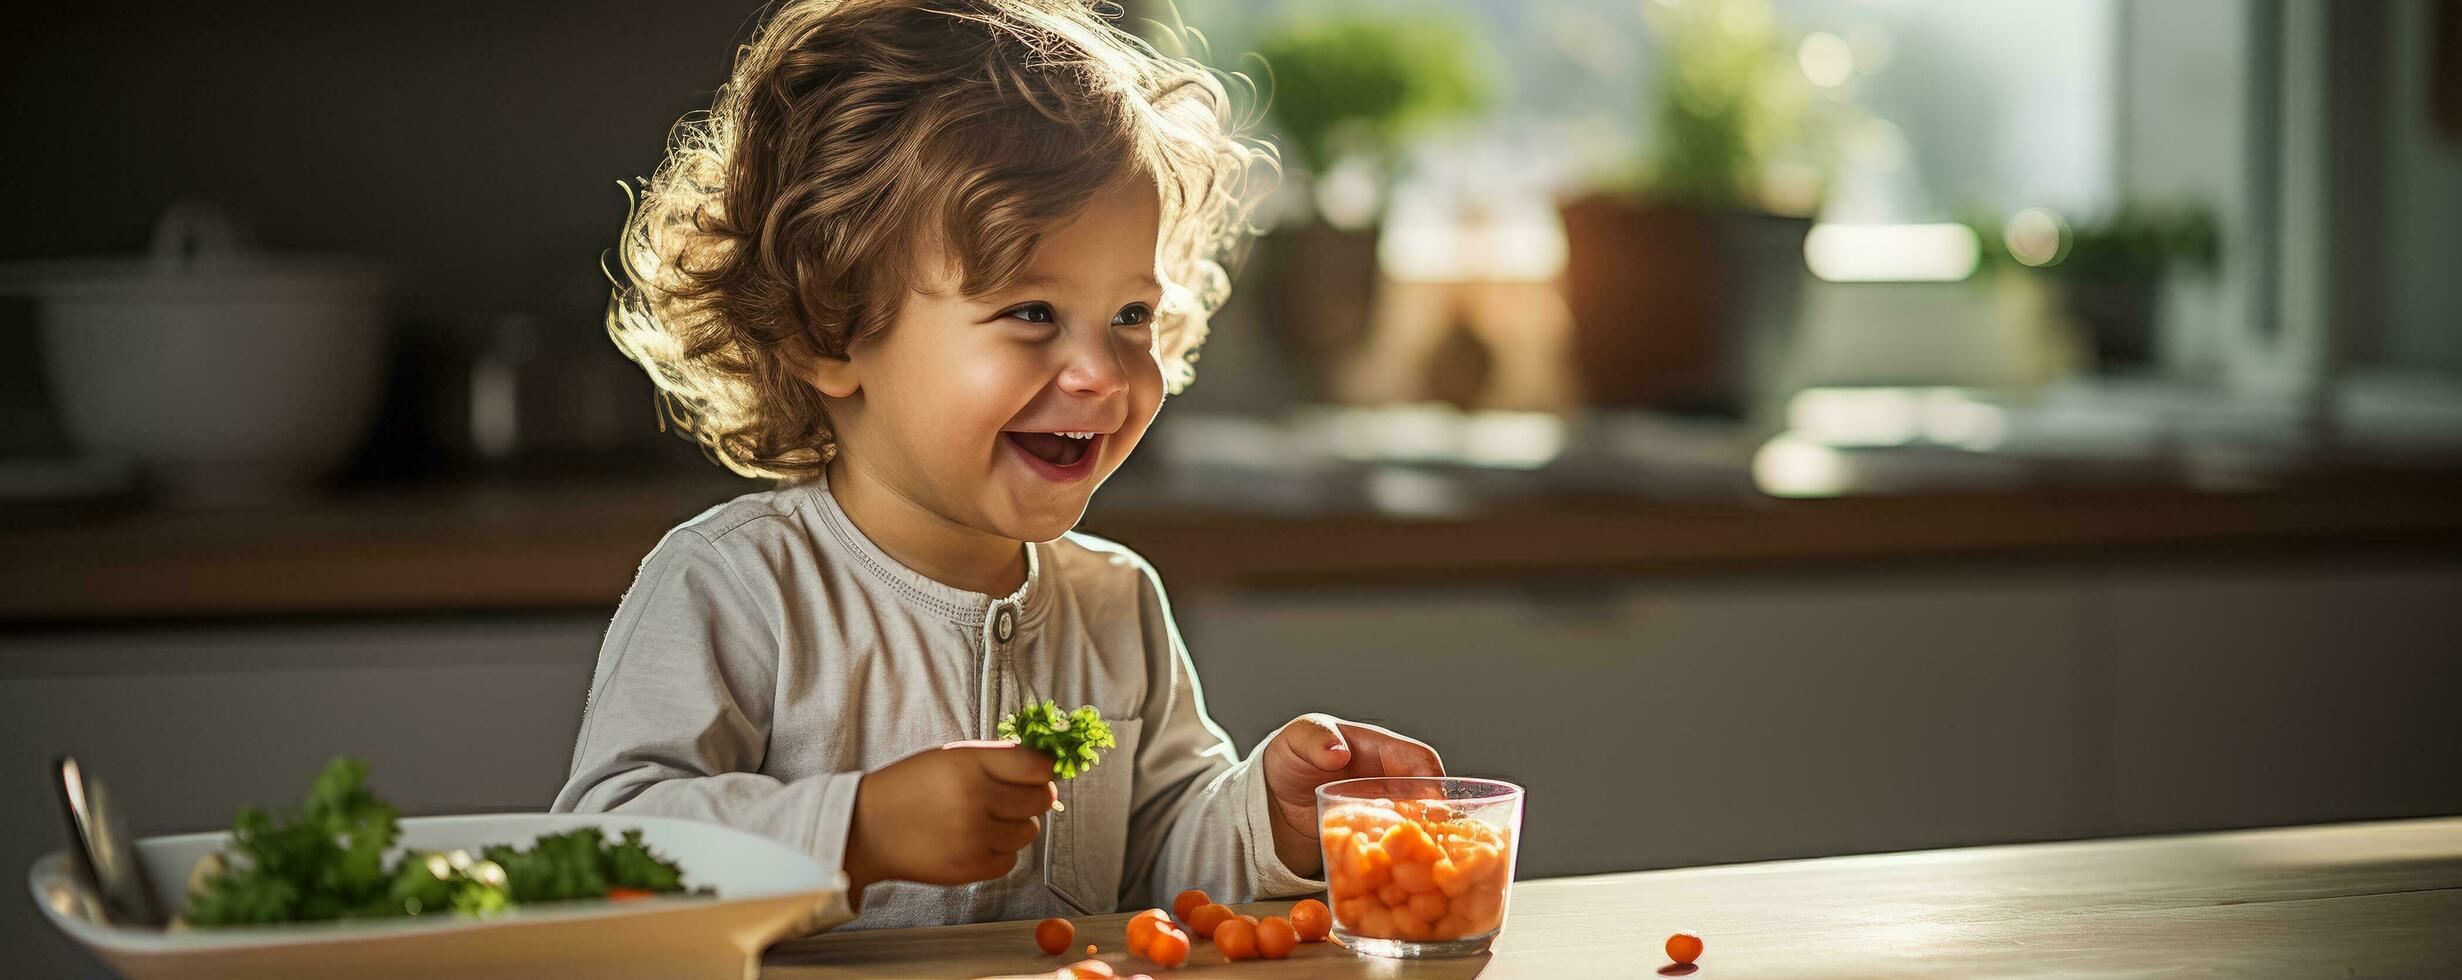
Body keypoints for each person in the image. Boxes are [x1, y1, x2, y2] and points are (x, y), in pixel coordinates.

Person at [554, 0, 1444, 929]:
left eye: (1130, 316)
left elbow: (1165, 855)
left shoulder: (1117, 605)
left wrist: (1274, 819)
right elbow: (604, 850)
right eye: (1030, 312)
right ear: (830, 330)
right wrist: (854, 831)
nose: (1102, 373)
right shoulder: (734, 589)